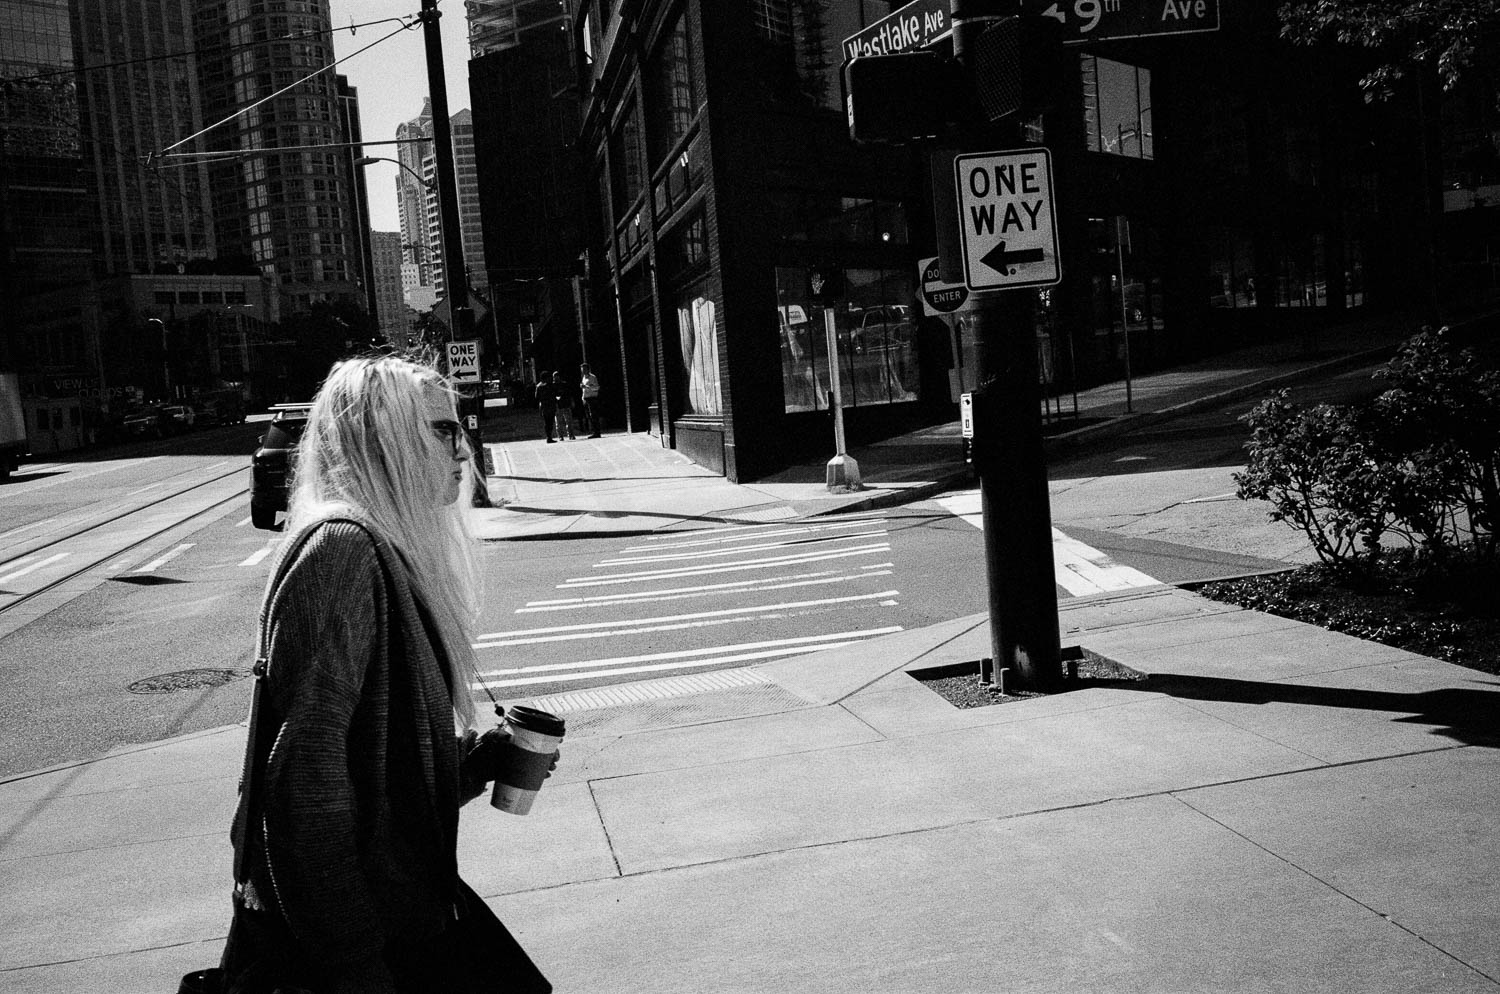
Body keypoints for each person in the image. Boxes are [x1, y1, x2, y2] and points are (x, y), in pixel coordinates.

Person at [218, 356, 554, 993]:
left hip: (403, 921)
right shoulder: (342, 553)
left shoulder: (377, 550)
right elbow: (303, 799)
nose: (464, 447)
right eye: (442, 431)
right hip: (372, 947)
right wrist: (356, 971)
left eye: (461, 429)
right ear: (381, 441)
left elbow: (375, 788)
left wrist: (475, 763)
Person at [549, 371, 577, 440]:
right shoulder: (552, 386)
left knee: (569, 421)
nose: (556, 377)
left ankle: (571, 434)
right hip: (557, 405)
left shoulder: (564, 384)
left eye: (557, 376)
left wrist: (571, 401)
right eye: (555, 376)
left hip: (566, 404)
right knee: (558, 422)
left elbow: (569, 393)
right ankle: (560, 436)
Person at [578, 363, 601, 438]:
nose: (583, 371)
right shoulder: (583, 378)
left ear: (588, 369)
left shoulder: (593, 377)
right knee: (589, 417)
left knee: (594, 416)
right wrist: (582, 398)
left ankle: (597, 432)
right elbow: (584, 390)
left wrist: (586, 386)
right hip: (586, 399)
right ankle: (594, 432)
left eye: (584, 369)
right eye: (582, 369)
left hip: (592, 399)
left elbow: (596, 388)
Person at [534, 371, 557, 442]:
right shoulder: (549, 385)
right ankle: (549, 437)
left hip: (544, 406)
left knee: (547, 422)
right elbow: (554, 393)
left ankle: (548, 436)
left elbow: (536, 397)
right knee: (550, 422)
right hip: (550, 405)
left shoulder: (538, 386)